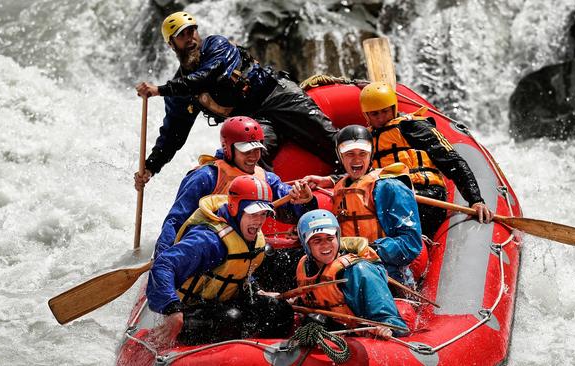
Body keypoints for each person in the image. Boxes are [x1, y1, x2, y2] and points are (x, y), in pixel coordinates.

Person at [134, 11, 338, 187]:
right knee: (248, 161)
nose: (190, 39)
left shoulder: (217, 45)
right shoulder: (180, 90)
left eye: (191, 31)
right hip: (254, 122)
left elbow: (208, 76)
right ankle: (270, 213)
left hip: (277, 96)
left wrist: (159, 90)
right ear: (172, 44)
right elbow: (172, 136)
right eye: (182, 36)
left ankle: (362, 177)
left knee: (329, 138)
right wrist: (150, 168)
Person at [146, 175, 294, 346]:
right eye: (253, 214)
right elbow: (163, 265)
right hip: (189, 310)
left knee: (280, 311)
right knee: (231, 318)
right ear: (235, 208)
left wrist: (256, 290)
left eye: (263, 214)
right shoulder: (208, 240)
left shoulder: (249, 234)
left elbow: (236, 270)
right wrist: (172, 309)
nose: (259, 221)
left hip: (222, 302)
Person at [151, 116, 315, 258]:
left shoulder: (265, 179)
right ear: (228, 149)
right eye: (246, 151)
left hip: (243, 250)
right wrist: (163, 257)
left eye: (257, 149)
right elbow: (175, 221)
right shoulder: (206, 177)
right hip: (205, 249)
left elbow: (289, 205)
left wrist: (303, 200)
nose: (253, 156)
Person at [358, 81, 492, 238]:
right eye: (375, 114)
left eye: (385, 111)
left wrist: (475, 200)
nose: (381, 118)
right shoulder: (365, 140)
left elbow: (452, 161)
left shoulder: (414, 126)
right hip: (390, 199)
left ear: (394, 108)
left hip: (427, 196)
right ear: (366, 115)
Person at [304, 125, 425, 285]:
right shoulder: (341, 186)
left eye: (362, 153)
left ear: (371, 154)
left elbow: (411, 243)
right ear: (340, 156)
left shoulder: (389, 187)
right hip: (347, 271)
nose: (356, 160)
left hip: (388, 275)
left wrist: (370, 249)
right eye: (349, 154)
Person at [294, 209, 409, 339]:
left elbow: (393, 323)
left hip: (357, 335)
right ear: (306, 245)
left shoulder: (358, 271)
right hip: (330, 330)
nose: (325, 245)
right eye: (317, 241)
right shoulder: (305, 266)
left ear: (337, 238)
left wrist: (387, 328)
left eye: (330, 238)